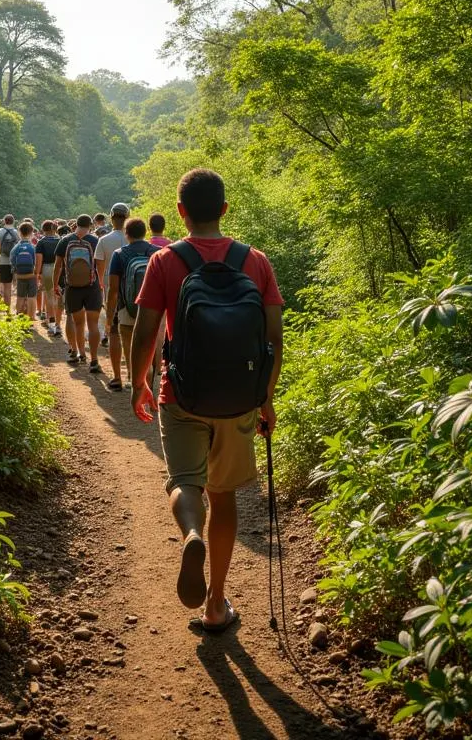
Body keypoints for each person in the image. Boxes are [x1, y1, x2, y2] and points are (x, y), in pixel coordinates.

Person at [130, 168, 284, 632]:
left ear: (180, 212)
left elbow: (145, 332)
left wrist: (138, 383)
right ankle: (216, 603)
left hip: (181, 393)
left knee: (184, 482)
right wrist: (265, 397)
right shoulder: (254, 261)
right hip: (238, 398)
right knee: (225, 494)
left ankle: (190, 533)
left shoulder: (165, 261)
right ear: (224, 209)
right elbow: (274, 338)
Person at [106, 217, 159, 392]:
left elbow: (113, 289)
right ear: (146, 232)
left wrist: (109, 317)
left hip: (126, 308)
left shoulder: (119, 254)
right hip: (153, 309)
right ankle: (148, 379)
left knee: (129, 345)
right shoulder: (157, 252)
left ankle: (132, 379)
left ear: (126, 234)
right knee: (149, 345)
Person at [54, 214, 102, 371]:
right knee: (92, 323)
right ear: (91, 225)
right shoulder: (95, 241)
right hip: (92, 285)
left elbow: (58, 265)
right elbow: (100, 265)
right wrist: (100, 282)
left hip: (72, 286)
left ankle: (76, 351)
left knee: (74, 320)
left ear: (76, 225)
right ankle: (94, 360)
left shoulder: (65, 240)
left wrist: (55, 284)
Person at [95, 202, 129, 354]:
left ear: (111, 217)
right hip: (129, 281)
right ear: (127, 217)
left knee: (110, 310)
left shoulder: (103, 240)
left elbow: (99, 266)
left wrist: (101, 281)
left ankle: (107, 334)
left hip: (109, 280)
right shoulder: (132, 239)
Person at [36, 221, 63, 335]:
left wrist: (38, 273)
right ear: (55, 229)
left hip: (46, 268)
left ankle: (51, 321)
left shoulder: (41, 242)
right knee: (58, 296)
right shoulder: (60, 241)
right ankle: (57, 323)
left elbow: (39, 260)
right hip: (60, 268)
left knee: (49, 295)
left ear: (43, 229)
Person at [0, 214, 20, 313]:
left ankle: (1, 307)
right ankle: (8, 311)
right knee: (9, 287)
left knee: (1, 284)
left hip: (2, 261)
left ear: (4, 221)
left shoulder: (0, 232)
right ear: (13, 222)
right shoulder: (16, 233)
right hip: (13, 262)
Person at [11, 222, 39, 319]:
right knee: (32, 296)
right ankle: (31, 317)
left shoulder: (16, 247)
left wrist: (15, 271)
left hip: (20, 274)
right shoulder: (33, 247)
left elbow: (12, 260)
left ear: (19, 233)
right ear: (32, 233)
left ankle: (19, 316)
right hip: (31, 274)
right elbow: (36, 261)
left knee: (20, 296)